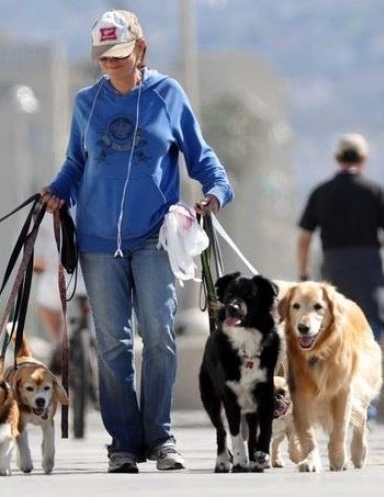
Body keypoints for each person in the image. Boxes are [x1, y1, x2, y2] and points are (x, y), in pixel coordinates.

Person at [40, 10, 233, 473]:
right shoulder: (87, 102)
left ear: (140, 49)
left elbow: (201, 157)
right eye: (103, 56)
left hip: (153, 239)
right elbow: (74, 164)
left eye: (119, 54)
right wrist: (56, 191)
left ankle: (161, 438)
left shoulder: (168, 95)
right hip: (97, 242)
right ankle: (123, 443)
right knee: (112, 343)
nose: (110, 63)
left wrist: (216, 192)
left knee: (161, 337)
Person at [297, 133, 384, 343]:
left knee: (336, 333)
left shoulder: (321, 192)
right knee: (369, 336)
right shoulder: (376, 191)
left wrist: (304, 275)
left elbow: (304, 239)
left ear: (337, 158)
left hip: (334, 275)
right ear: (363, 158)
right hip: (370, 279)